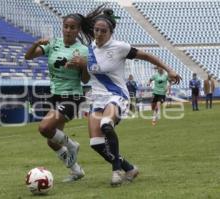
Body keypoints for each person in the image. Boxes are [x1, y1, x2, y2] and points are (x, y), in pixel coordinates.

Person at [69, 5, 182, 186]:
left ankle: (116, 172)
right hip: (97, 98)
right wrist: (80, 65)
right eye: (96, 30)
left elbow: (146, 56)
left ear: (110, 32)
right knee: (96, 143)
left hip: (116, 95)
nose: (98, 34)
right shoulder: (89, 49)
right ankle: (129, 168)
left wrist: (169, 70)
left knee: (107, 125)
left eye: (103, 31)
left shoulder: (120, 47)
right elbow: (86, 78)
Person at [24, 13, 93, 182]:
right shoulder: (54, 44)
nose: (68, 30)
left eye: (72, 27)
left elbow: (85, 80)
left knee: (44, 128)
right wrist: (35, 44)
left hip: (72, 97)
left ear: (78, 30)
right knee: (52, 141)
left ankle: (72, 146)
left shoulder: (83, 50)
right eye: (66, 26)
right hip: (55, 96)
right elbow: (28, 56)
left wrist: (83, 66)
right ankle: (76, 171)